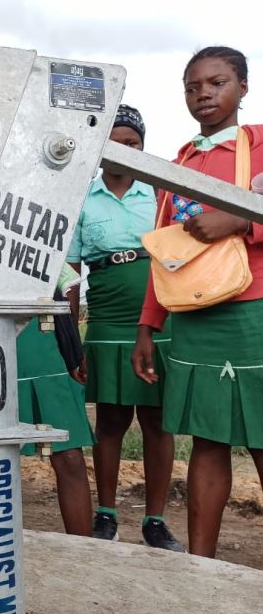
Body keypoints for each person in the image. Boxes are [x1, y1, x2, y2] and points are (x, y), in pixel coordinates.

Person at [132, 46, 263, 558]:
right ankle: (200, 568)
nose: (204, 94)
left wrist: (239, 221)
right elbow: (165, 252)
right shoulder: (180, 163)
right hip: (192, 317)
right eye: (193, 86)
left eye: (217, 82)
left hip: (252, 313)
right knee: (207, 443)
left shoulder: (259, 145)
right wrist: (148, 326)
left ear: (243, 88)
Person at [68, 105, 183, 550]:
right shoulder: (84, 200)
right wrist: (69, 335)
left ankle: (155, 520)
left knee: (157, 421)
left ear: (143, 147)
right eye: (113, 144)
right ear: (99, 150)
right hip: (106, 318)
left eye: (132, 144)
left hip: (159, 316)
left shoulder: (160, 196)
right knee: (111, 419)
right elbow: (73, 272)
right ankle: (107, 513)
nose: (124, 151)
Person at [17, 266, 95, 537]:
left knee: (70, 454)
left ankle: (84, 551)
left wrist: (72, 346)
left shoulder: (37, 223)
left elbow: (65, 284)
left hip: (41, 331)